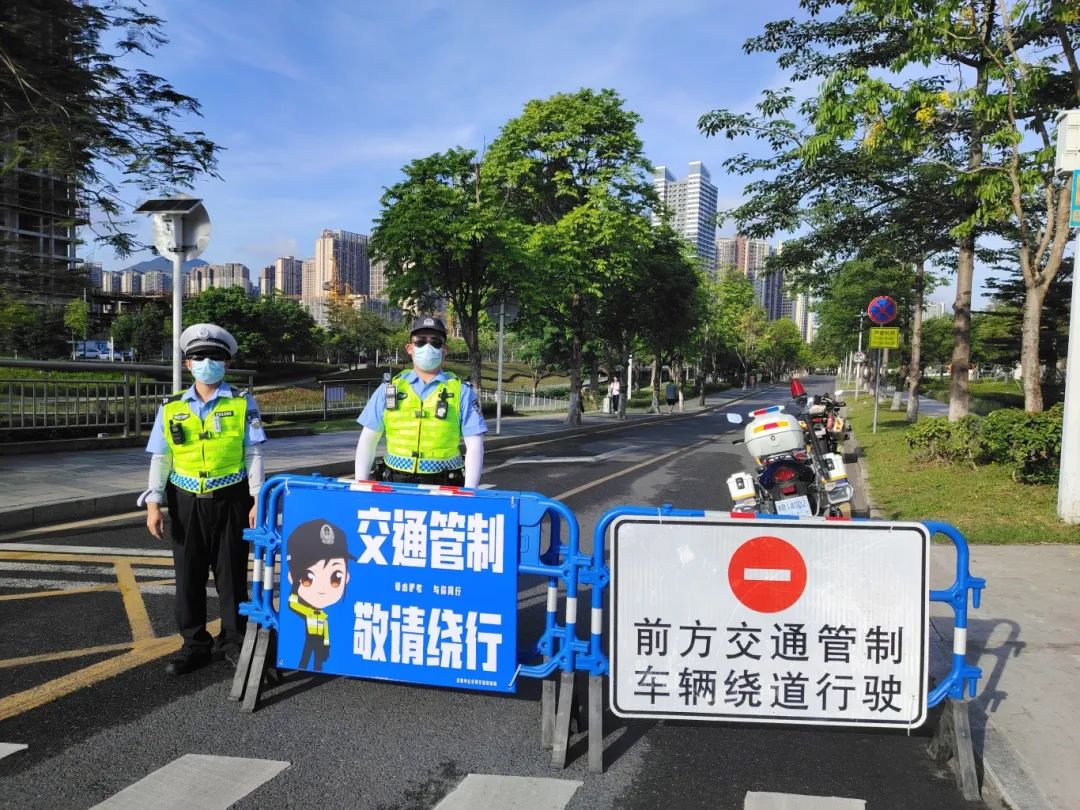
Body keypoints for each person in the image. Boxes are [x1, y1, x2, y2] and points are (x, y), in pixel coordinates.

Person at [138, 323, 267, 676]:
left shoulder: (242, 403)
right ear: (187, 363)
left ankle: (233, 641)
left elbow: (253, 454)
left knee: (231, 575)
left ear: (226, 363)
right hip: (185, 500)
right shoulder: (171, 407)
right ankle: (194, 645)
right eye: (199, 357)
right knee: (188, 576)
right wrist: (153, 503)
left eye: (214, 357)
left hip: (232, 498)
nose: (206, 363)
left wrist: (257, 498)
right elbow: (161, 457)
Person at [354, 315, 486, 487]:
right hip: (395, 485)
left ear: (444, 350)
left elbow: (475, 444)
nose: (427, 347)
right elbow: (368, 440)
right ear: (410, 348)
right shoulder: (390, 389)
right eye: (421, 341)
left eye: (435, 342)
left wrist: (469, 492)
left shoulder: (462, 392)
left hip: (445, 486)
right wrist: (360, 484)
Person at [285, 519, 353, 672]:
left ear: (346, 577)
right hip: (310, 638)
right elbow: (292, 603)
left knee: (318, 658)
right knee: (305, 655)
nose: (322, 588)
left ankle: (317, 670)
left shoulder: (322, 616)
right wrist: (295, 588)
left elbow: (326, 631)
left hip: (318, 640)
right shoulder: (309, 612)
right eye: (307, 577)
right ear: (291, 577)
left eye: (336, 577)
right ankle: (303, 668)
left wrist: (326, 644)